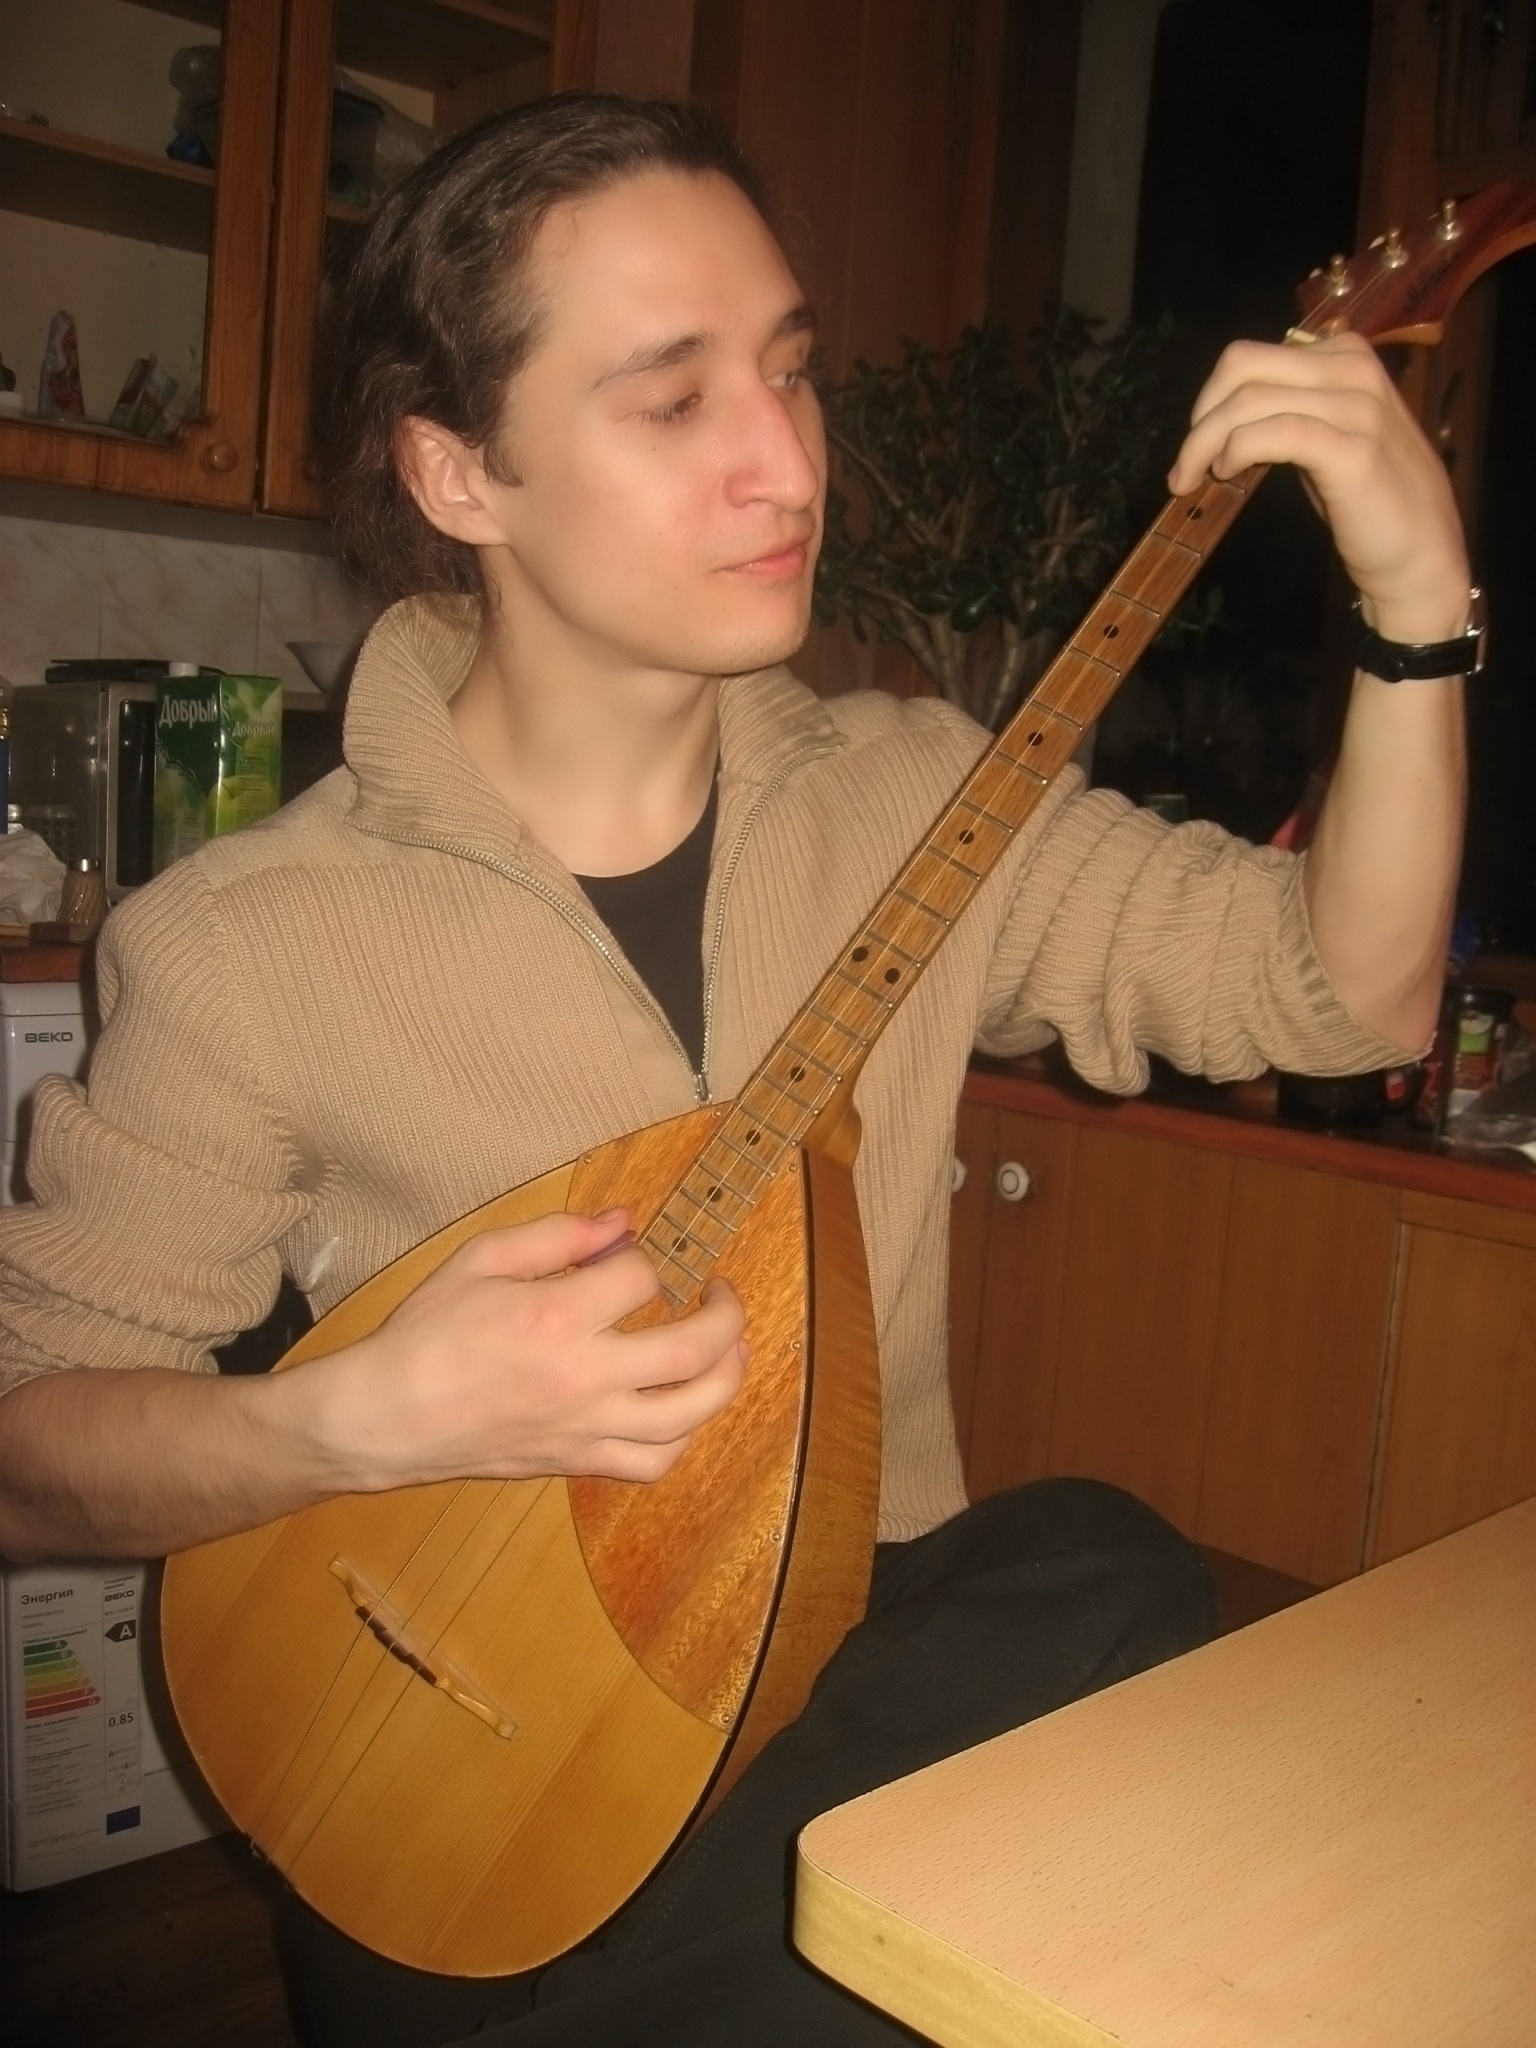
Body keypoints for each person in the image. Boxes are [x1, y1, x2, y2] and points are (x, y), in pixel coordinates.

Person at [0, 95, 1470, 2045]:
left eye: (789, 369)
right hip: (460, 1767)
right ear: (460, 470)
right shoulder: (243, 942)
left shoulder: (921, 793)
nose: (785, 459)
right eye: (673, 397)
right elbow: (28, 1452)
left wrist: (1417, 616)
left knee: (1101, 1571)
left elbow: (1343, 998)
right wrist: (359, 1420)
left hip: (828, 1688)